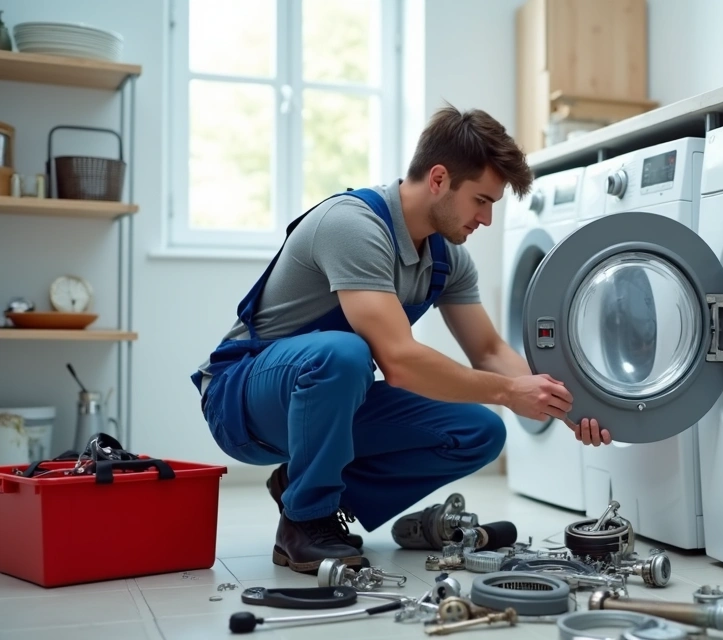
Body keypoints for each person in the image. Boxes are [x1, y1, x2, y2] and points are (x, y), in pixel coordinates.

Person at [190, 104, 610, 574]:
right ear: (438, 179)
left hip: (326, 397)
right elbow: (399, 361)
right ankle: (305, 522)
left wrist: (565, 404)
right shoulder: (353, 225)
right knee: (343, 352)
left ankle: (301, 486)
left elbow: (489, 351)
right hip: (243, 399)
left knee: (479, 432)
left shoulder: (447, 259)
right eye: (481, 200)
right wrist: (510, 392)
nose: (487, 219)